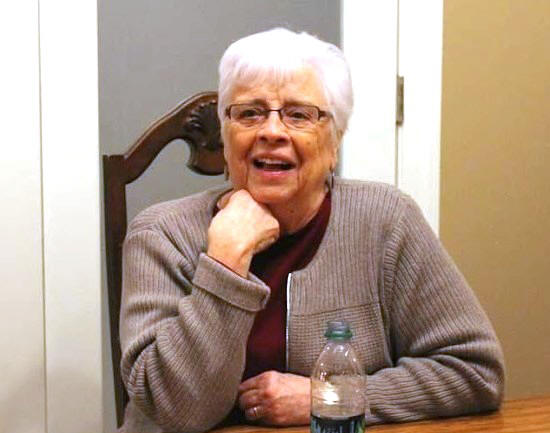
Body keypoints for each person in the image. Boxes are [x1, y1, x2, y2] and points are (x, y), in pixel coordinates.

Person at [119, 28, 505, 433]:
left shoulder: (387, 221)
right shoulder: (161, 235)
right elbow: (176, 413)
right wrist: (226, 260)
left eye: (299, 115)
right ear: (226, 138)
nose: (271, 132)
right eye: (249, 113)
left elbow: (474, 371)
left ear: (335, 142)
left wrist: (330, 397)